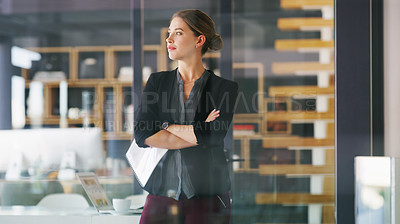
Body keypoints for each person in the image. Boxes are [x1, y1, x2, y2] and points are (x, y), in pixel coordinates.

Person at [134, 9, 238, 224]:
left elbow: (212, 137)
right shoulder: (157, 82)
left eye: (178, 33)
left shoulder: (224, 88)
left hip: (208, 197)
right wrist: (198, 131)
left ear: (199, 40)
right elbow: (142, 134)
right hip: (161, 195)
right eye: (169, 33)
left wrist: (164, 127)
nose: (169, 39)